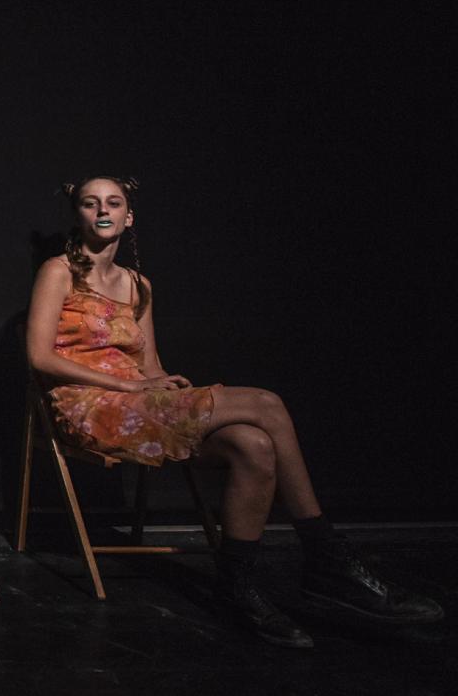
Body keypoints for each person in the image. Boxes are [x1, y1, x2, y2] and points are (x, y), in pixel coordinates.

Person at [27, 176, 443, 647]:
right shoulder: (58, 271)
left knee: (254, 444)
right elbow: (39, 357)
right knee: (266, 403)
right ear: (78, 214)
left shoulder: (139, 285)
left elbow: (151, 366)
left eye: (113, 202)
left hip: (140, 399)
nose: (103, 210)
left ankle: (237, 586)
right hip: (89, 405)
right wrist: (130, 385)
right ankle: (326, 557)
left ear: (129, 216)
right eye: (91, 203)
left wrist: (166, 387)